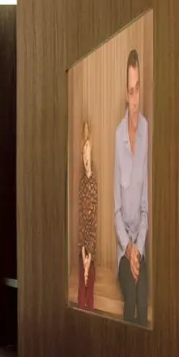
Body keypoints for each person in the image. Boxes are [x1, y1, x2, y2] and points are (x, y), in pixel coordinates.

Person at [113, 49, 149, 325]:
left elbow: (146, 208)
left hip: (141, 244)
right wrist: (128, 249)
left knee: (142, 301)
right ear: (126, 94)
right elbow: (115, 212)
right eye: (130, 91)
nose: (134, 98)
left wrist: (139, 249)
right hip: (123, 249)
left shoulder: (148, 131)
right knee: (130, 302)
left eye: (138, 89)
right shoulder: (118, 136)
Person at [77, 120, 98, 311]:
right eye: (83, 153)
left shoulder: (92, 184)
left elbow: (92, 222)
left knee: (88, 278)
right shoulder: (82, 183)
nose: (86, 158)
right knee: (80, 281)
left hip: (92, 248)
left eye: (88, 152)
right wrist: (83, 253)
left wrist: (89, 255)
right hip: (83, 247)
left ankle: (88, 313)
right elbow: (82, 222)